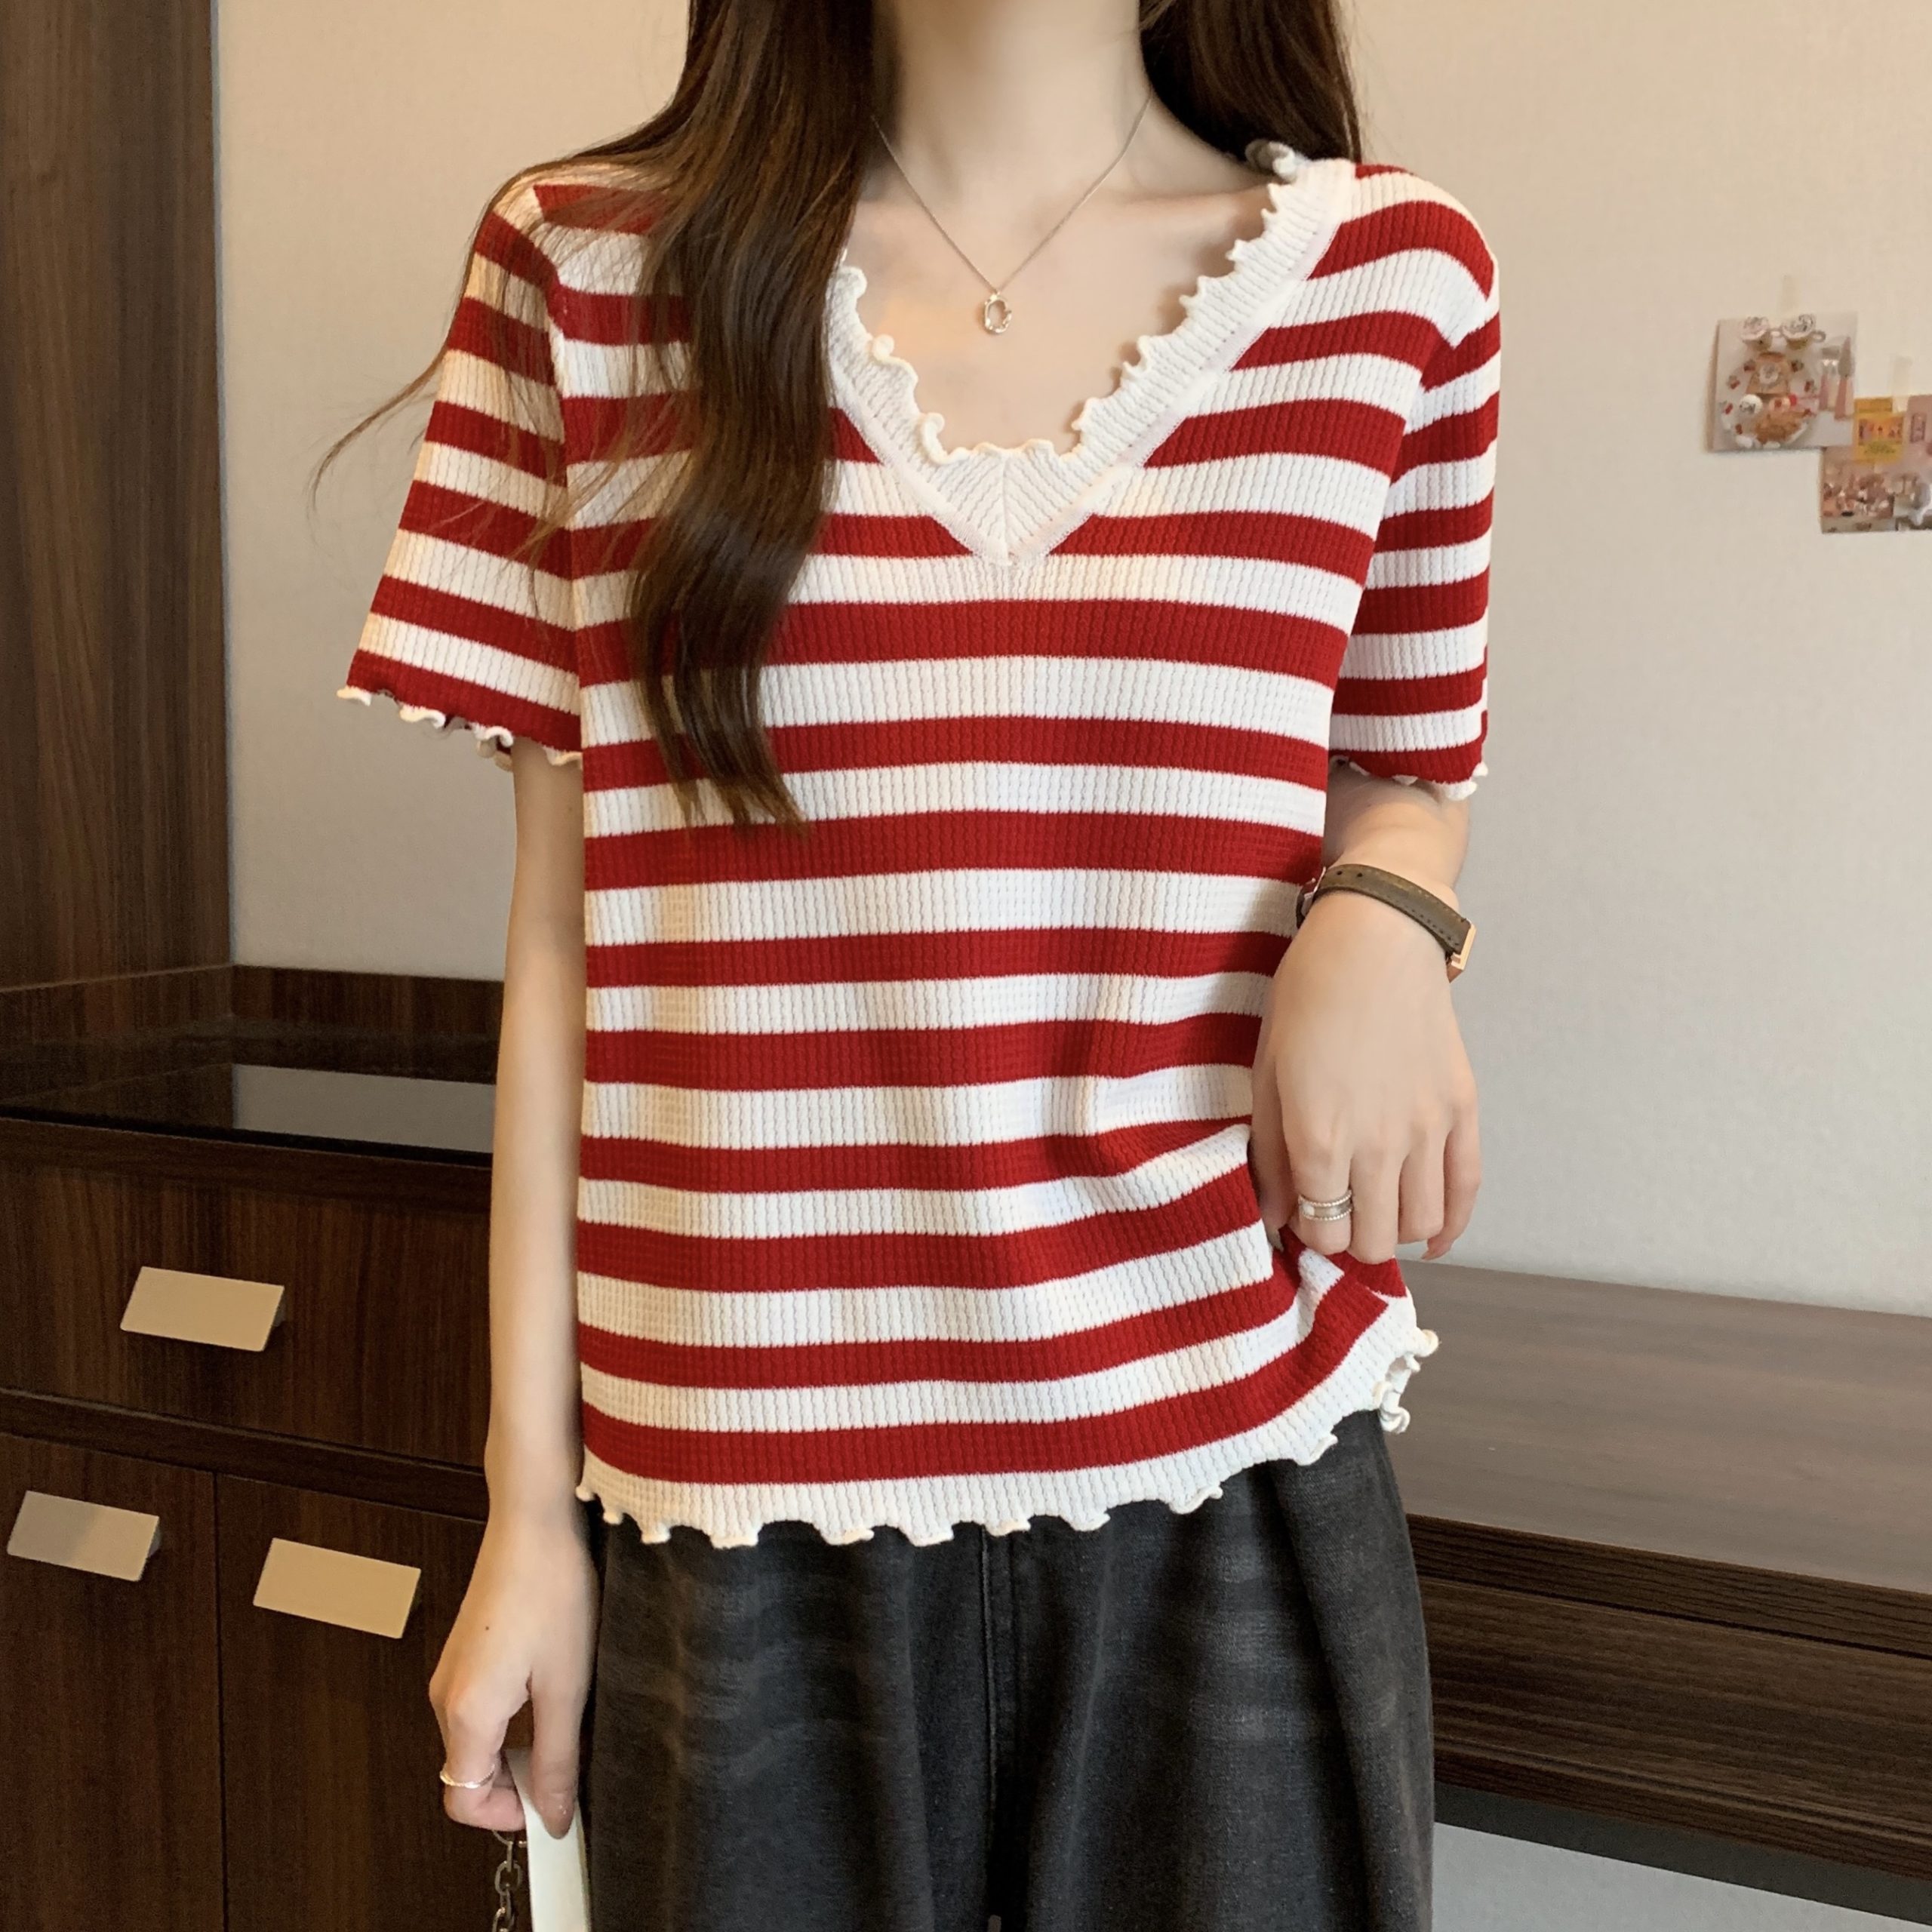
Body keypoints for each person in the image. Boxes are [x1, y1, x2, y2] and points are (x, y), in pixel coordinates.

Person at [323, 2, 1499, 1925]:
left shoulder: (1392, 278)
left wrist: (1384, 914)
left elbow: (1402, 771)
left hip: (1227, 1447)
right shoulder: (584, 269)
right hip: (738, 1501)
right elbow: (560, 930)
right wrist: (525, 1510)